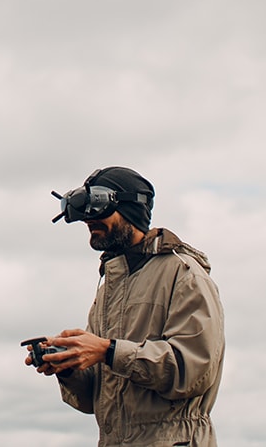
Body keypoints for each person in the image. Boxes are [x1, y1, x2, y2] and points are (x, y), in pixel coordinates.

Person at [27, 167, 225, 446]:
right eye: (85, 213)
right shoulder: (110, 286)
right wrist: (68, 366)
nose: (89, 220)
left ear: (131, 210)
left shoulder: (184, 274)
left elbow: (193, 370)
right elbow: (93, 399)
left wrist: (107, 350)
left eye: (98, 209)